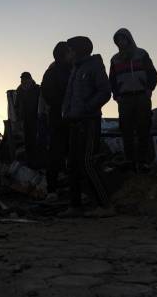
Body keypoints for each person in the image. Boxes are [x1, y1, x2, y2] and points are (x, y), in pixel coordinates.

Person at [60, 36, 113, 218]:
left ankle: (105, 205)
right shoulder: (75, 69)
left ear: (79, 50)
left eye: (71, 49)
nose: (69, 53)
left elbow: (105, 92)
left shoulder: (94, 66)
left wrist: (87, 108)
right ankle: (75, 206)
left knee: (88, 162)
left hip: (89, 122)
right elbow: (70, 95)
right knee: (73, 164)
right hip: (74, 122)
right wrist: (65, 112)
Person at [109, 28, 157, 170]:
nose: (120, 42)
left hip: (142, 95)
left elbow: (152, 73)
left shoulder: (142, 54)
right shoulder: (115, 59)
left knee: (144, 127)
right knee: (126, 130)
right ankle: (129, 160)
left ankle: (144, 161)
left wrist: (149, 89)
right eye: (117, 40)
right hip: (124, 98)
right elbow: (112, 79)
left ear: (129, 39)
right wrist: (116, 95)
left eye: (122, 38)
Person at [40, 42, 72, 201]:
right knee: (55, 153)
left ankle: (71, 187)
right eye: (68, 52)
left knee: (71, 153)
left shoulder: (73, 69)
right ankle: (52, 189)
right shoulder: (52, 73)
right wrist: (63, 103)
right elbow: (47, 94)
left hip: (72, 117)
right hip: (58, 118)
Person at [15, 72, 41, 167]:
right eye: (22, 79)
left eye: (25, 79)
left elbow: (41, 103)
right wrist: (18, 115)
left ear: (30, 79)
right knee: (27, 141)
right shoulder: (19, 90)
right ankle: (29, 161)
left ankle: (36, 161)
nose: (23, 81)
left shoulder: (37, 89)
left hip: (35, 119)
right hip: (24, 119)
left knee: (35, 140)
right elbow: (17, 105)